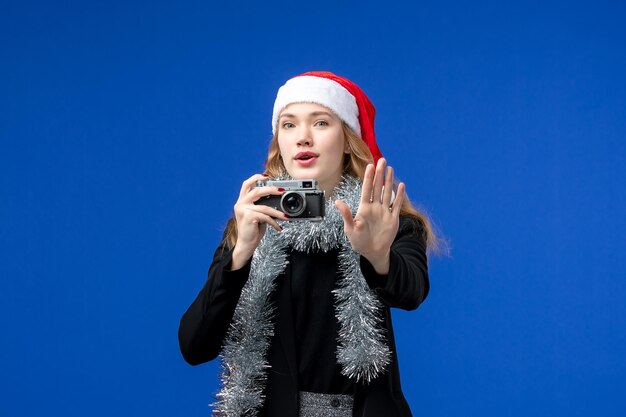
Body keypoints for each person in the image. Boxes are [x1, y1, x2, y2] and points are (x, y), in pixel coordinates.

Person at [178, 71, 438, 417]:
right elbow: (194, 346)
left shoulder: (386, 219)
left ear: (347, 140)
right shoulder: (254, 221)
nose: (302, 138)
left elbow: (412, 292)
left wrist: (377, 255)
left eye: (320, 123)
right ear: (279, 143)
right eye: (289, 125)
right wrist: (240, 254)